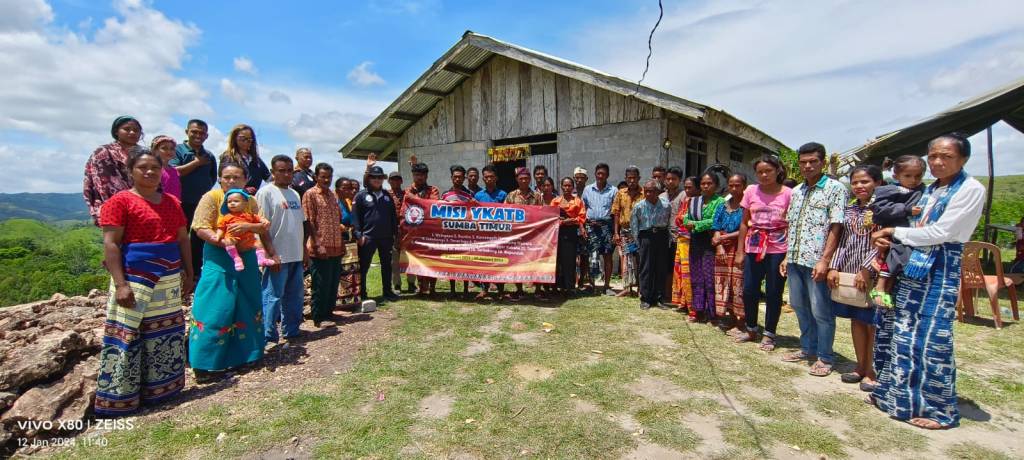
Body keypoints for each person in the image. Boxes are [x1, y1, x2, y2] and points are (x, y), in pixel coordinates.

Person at [869, 134, 985, 429]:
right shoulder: (931, 189)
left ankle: (938, 410)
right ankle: (897, 398)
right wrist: (889, 237)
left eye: (946, 156)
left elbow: (941, 232)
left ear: (963, 159)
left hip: (939, 269)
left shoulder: (970, 189)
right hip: (912, 266)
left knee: (931, 338)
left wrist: (893, 232)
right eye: (932, 155)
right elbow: (915, 224)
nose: (937, 162)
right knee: (902, 333)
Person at [95, 147, 192, 416]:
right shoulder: (120, 202)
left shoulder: (172, 202)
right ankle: (121, 399)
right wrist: (121, 284)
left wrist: (189, 272)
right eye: (143, 167)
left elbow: (183, 239)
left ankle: (163, 391)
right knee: (128, 334)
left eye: (155, 168)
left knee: (165, 332)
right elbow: (111, 244)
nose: (150, 172)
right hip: (135, 276)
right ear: (130, 171)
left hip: (168, 276)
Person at [189, 161, 272, 382]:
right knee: (215, 305)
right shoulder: (212, 198)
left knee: (247, 302)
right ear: (219, 179)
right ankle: (205, 364)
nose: (232, 181)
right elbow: (200, 227)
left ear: (246, 180)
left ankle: (247, 356)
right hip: (219, 257)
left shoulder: (250, 200)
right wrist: (225, 242)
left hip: (247, 256)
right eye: (227, 177)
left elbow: (263, 225)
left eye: (237, 177)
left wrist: (249, 230)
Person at [782, 142, 847, 377]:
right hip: (795, 258)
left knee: (821, 310)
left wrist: (825, 260)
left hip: (816, 261)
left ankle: (825, 356)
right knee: (799, 306)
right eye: (803, 162)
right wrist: (786, 256)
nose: (807, 166)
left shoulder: (835, 189)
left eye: (813, 161)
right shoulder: (797, 191)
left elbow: (836, 226)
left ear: (823, 162)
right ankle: (807, 348)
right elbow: (792, 225)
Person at [827, 165, 883, 392]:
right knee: (856, 320)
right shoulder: (849, 210)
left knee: (873, 323)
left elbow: (882, 245)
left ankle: (872, 371)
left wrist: (867, 269)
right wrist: (834, 267)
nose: (859, 186)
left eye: (865, 181)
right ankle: (860, 366)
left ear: (877, 183)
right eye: (855, 182)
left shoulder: (883, 209)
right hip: (849, 273)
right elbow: (842, 240)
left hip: (875, 275)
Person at [734, 156, 792, 351]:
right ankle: (751, 329)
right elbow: (744, 223)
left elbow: (792, 225)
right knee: (749, 289)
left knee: (774, 292)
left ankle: (769, 334)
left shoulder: (789, 194)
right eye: (760, 172)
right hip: (754, 246)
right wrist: (740, 251)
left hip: (778, 248)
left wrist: (788, 256)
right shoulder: (751, 191)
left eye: (768, 171)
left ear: (777, 171)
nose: (764, 175)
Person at [257, 156, 308, 347]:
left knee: (295, 295)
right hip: (277, 255)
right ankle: (268, 335)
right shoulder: (266, 193)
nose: (286, 174)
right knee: (272, 296)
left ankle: (292, 330)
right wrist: (271, 253)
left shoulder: (294, 193)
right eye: (281, 171)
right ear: (273, 172)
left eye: (289, 171)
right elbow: (262, 227)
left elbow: (300, 224)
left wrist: (304, 250)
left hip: (295, 253)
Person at [868, 155, 926, 308]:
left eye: (918, 176)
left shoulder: (923, 191)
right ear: (896, 176)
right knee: (896, 254)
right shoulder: (890, 190)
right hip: (894, 230)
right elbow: (878, 208)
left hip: (909, 233)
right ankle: (880, 286)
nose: (913, 180)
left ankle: (886, 290)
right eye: (908, 176)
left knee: (900, 259)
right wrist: (905, 209)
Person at [171, 119, 217, 284]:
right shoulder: (177, 150)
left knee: (199, 238)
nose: (198, 135)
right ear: (187, 132)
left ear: (206, 136)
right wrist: (197, 163)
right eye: (194, 132)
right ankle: (178, 272)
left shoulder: (209, 155)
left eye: (202, 133)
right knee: (179, 237)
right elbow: (174, 172)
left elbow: (212, 177)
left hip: (201, 203)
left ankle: (195, 273)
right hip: (180, 202)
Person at [303, 163, 345, 328]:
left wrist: (341, 241)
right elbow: (309, 221)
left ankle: (329, 312)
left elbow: (337, 220)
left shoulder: (333, 195)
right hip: (319, 247)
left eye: (329, 177)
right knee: (320, 283)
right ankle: (319, 317)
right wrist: (317, 243)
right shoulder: (310, 194)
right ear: (316, 177)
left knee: (333, 282)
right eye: (323, 177)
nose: (326, 180)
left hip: (335, 246)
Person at [354, 166, 401, 303]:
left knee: (387, 265)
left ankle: (387, 291)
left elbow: (393, 217)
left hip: (386, 237)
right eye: (374, 177)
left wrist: (395, 234)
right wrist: (359, 234)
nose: (377, 180)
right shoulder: (361, 196)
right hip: (368, 237)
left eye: (379, 177)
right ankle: (362, 293)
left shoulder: (387, 196)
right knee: (364, 266)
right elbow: (355, 217)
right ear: (369, 179)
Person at [682, 172, 725, 321]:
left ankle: (712, 313)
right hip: (696, 241)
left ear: (716, 185)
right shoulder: (695, 201)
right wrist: (688, 223)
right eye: (703, 184)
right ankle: (698, 310)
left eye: (709, 183)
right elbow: (686, 217)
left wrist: (695, 224)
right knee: (696, 276)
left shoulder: (720, 202)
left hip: (711, 241)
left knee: (709, 277)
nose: (705, 186)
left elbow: (714, 221)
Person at [85, 116, 141, 226]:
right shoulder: (104, 152)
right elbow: (105, 185)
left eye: (136, 130)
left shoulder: (144, 153)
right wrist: (134, 204)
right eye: (127, 129)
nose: (132, 132)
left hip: (145, 207)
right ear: (116, 131)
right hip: (116, 209)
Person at [713, 174, 747, 333]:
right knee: (724, 282)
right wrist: (719, 246)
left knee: (738, 284)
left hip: (739, 248)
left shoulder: (747, 206)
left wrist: (724, 237)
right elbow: (716, 227)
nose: (734, 188)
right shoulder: (723, 205)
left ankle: (742, 321)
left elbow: (746, 228)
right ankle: (731, 318)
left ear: (744, 186)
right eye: (731, 185)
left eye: (737, 185)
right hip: (723, 250)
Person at [505, 167, 544, 301]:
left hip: (534, 235)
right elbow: (505, 213)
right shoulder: (511, 196)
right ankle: (519, 290)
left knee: (537, 261)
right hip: (517, 235)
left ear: (530, 179)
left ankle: (538, 290)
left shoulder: (537, 196)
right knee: (517, 262)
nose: (524, 181)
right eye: (521, 178)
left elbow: (543, 214)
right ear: (517, 180)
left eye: (526, 178)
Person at [632, 180, 671, 309]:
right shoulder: (639, 206)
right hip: (646, 237)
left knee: (661, 268)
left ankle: (659, 298)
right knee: (646, 268)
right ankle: (645, 298)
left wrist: (668, 240)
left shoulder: (666, 205)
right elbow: (634, 225)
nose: (648, 194)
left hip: (661, 236)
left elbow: (669, 223)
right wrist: (638, 242)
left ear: (658, 192)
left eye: (651, 191)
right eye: (646, 191)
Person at [216, 189, 276, 271]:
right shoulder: (227, 217)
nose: (232, 203)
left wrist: (264, 221)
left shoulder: (249, 215)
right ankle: (236, 258)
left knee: (258, 244)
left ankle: (261, 259)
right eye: (229, 202)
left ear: (245, 204)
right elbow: (221, 228)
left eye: (236, 201)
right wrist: (218, 236)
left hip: (248, 238)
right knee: (228, 242)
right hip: (233, 237)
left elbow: (259, 219)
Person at [581, 163, 618, 295]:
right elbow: (583, 209)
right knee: (593, 256)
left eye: (603, 174)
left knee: (608, 256)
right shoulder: (588, 189)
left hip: (607, 226)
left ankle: (606, 286)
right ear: (595, 174)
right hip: (591, 226)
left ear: (607, 175)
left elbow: (616, 212)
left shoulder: (613, 190)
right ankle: (593, 285)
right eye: (598, 173)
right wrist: (583, 227)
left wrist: (615, 232)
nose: (600, 176)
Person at [474, 164, 509, 300]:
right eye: (486, 177)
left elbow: (507, 213)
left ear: (496, 178)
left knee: (500, 262)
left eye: (491, 177)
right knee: (483, 262)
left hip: (499, 234)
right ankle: (485, 289)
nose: (489, 179)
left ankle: (500, 290)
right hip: (483, 235)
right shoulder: (478, 195)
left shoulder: (503, 194)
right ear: (483, 178)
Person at [406, 162, 441, 295]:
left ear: (426, 176)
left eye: (422, 175)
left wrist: (414, 199)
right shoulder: (408, 190)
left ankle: (432, 288)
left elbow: (432, 205)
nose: (419, 177)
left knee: (432, 259)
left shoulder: (433, 190)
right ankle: (421, 287)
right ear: (413, 175)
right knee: (418, 259)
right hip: (414, 231)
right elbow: (406, 208)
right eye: (416, 174)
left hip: (430, 231)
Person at [552, 177, 587, 298]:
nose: (567, 188)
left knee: (570, 260)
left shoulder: (577, 201)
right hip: (557, 233)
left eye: (569, 186)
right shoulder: (555, 201)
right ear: (561, 186)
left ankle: (570, 287)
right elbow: (551, 217)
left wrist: (569, 221)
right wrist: (563, 221)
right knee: (558, 260)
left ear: (573, 187)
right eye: (565, 185)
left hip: (571, 233)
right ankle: (558, 287)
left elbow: (581, 217)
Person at [441, 165, 474, 296]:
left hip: (465, 234)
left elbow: (474, 212)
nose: (457, 179)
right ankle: (453, 290)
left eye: (460, 177)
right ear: (451, 178)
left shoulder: (469, 195)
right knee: (451, 262)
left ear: (464, 178)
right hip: (450, 235)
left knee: (465, 261)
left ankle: (465, 289)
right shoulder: (445, 195)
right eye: (455, 177)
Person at [612, 166, 644, 298]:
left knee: (641, 259)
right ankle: (627, 288)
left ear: (638, 178)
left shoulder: (644, 193)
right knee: (626, 260)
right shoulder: (620, 193)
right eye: (629, 178)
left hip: (640, 232)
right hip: (625, 231)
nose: (632, 180)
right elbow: (616, 213)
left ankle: (641, 288)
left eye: (634, 178)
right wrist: (616, 232)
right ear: (625, 178)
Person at [671, 176, 699, 310]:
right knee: (681, 272)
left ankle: (692, 306)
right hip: (681, 240)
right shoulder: (686, 201)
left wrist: (683, 220)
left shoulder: (699, 203)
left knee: (689, 274)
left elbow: (690, 221)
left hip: (691, 241)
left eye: (690, 188)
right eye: (686, 187)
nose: (687, 190)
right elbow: (678, 220)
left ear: (697, 188)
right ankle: (683, 302)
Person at [387, 170, 416, 294]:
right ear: (389, 181)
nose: (395, 181)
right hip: (391, 231)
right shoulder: (385, 195)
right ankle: (397, 284)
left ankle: (411, 283)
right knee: (394, 260)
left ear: (401, 181)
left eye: (398, 179)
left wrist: (413, 166)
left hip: (406, 231)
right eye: (393, 179)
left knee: (409, 258)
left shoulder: (407, 194)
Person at [220, 124, 270, 195]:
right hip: (234, 198)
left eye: (249, 139)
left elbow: (269, 178)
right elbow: (224, 181)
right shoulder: (228, 157)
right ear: (235, 138)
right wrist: (243, 190)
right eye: (242, 138)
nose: (246, 141)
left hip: (253, 198)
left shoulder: (256, 160)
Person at [660, 167, 685, 303]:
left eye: (673, 179)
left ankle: (675, 295)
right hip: (663, 236)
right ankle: (665, 293)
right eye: (668, 179)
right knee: (664, 266)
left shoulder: (684, 195)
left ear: (679, 180)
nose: (670, 181)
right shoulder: (661, 196)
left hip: (678, 236)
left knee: (676, 267)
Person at [336, 177, 362, 310]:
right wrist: (341, 226)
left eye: (350, 188)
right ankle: (341, 302)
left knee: (353, 271)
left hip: (352, 242)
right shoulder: (336, 203)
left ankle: (352, 300)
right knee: (343, 271)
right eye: (345, 188)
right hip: (342, 241)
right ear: (338, 189)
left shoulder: (348, 202)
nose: (348, 191)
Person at [571, 166, 591, 289]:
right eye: (577, 178)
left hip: (586, 227)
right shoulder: (570, 193)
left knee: (585, 255)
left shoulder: (590, 191)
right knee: (573, 255)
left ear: (586, 179)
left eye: (582, 178)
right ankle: (573, 280)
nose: (579, 180)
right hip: (573, 227)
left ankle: (583, 280)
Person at [151, 135, 181, 200]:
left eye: (172, 148)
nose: (169, 151)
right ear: (154, 150)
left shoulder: (174, 170)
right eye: (164, 148)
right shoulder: (154, 170)